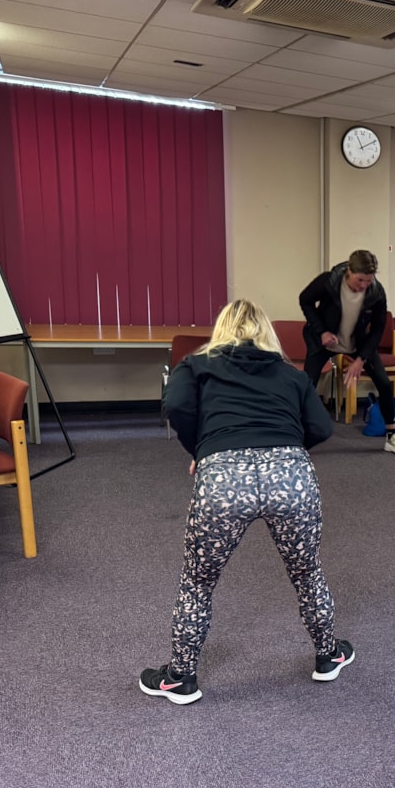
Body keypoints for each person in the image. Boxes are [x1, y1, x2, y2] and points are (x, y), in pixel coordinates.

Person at [140, 300, 352, 705]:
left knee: (198, 582)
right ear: (266, 332)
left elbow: (176, 406)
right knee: (306, 572)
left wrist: (202, 448)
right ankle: (329, 655)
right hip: (290, 477)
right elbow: (322, 427)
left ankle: (180, 677)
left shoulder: (194, 366)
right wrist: (286, 450)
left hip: (224, 479)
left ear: (221, 329)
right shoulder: (291, 374)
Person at [299, 249, 395, 457]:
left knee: (384, 384)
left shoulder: (376, 292)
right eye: (360, 280)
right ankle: (298, 438)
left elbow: (378, 328)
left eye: (368, 281)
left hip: (357, 344)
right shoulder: (329, 281)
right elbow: (304, 299)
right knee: (307, 386)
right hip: (325, 342)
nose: (363, 286)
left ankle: (392, 436)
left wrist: (361, 359)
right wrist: (322, 331)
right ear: (349, 272)